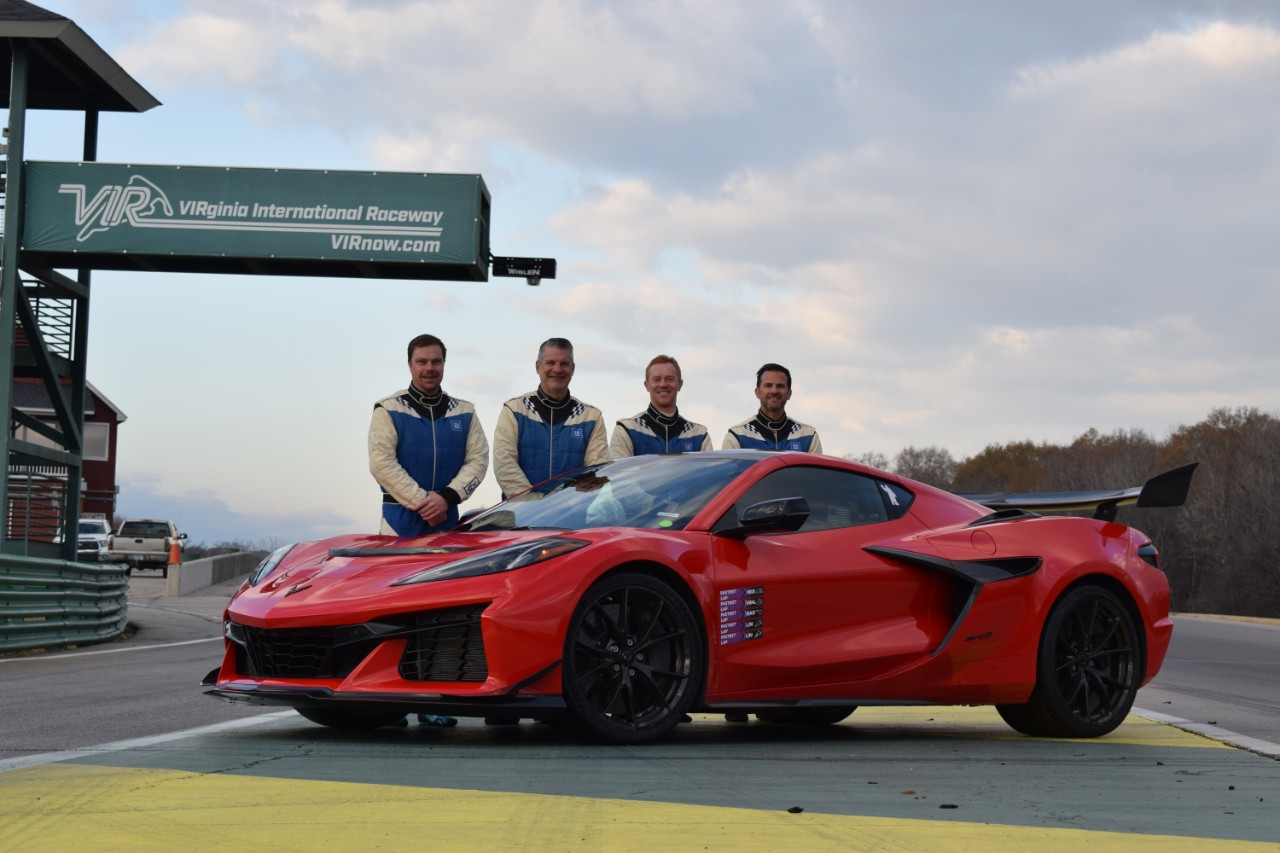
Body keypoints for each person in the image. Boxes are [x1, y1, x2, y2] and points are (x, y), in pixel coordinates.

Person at [369, 334, 488, 730]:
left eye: (436, 361)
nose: (429, 368)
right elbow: (381, 463)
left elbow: (478, 461)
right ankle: (390, 700)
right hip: (399, 524)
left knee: (444, 614)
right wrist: (423, 500)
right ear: (410, 364)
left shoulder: (465, 412)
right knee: (392, 613)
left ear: (444, 364)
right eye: (422, 361)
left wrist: (449, 497)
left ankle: (437, 698)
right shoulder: (388, 409)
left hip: (448, 526)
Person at [492, 337, 610, 499]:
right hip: (519, 515)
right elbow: (504, 465)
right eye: (550, 362)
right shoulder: (514, 410)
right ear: (538, 367)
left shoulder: (591, 417)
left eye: (564, 364)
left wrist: (566, 506)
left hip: (571, 517)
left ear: (573, 368)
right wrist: (536, 504)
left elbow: (596, 471)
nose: (557, 369)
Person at [610, 354, 712, 458]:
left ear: (680, 384)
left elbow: (710, 473)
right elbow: (618, 474)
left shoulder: (699, 435)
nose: (663, 384)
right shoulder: (627, 430)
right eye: (656, 379)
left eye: (669, 379)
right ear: (647, 385)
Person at [722, 362, 823, 454]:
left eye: (780, 386)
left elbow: (817, 474)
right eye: (768, 385)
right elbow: (728, 474)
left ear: (789, 394)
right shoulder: (737, 436)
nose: (774, 391)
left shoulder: (808, 436)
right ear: (757, 392)